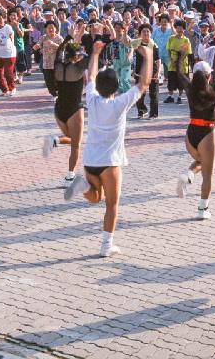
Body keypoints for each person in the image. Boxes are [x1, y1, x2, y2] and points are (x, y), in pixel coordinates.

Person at [64, 39, 152, 258]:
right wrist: (147, 56)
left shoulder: (92, 99)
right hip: (111, 161)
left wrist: (94, 54)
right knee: (112, 204)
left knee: (95, 196)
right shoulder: (119, 104)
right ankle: (106, 245)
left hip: (90, 160)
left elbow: (91, 76)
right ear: (116, 87)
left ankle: (82, 185)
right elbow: (143, 85)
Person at [44, 26, 89, 188]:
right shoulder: (77, 69)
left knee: (72, 139)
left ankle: (55, 140)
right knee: (76, 145)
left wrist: (70, 37)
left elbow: (60, 51)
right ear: (76, 56)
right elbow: (90, 55)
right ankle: (69, 177)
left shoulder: (58, 66)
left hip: (58, 110)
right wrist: (88, 36)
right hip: (74, 110)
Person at [175, 61, 215, 219]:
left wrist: (180, 55)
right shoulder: (214, 91)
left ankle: (188, 175)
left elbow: (180, 72)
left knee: (202, 161)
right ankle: (203, 208)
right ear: (209, 76)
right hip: (207, 132)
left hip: (191, 133)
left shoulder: (189, 89)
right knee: (208, 174)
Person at [132, 23, 160, 119]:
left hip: (153, 73)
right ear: (140, 33)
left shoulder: (154, 45)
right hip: (139, 73)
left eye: (148, 31)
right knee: (139, 94)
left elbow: (157, 60)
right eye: (143, 31)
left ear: (151, 33)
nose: (146, 33)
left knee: (154, 94)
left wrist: (158, 72)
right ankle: (142, 111)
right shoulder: (136, 43)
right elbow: (126, 43)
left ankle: (154, 113)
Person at [0, 11, 19, 96]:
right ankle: (4, 90)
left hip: (9, 54)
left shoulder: (7, 27)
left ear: (4, 19)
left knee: (7, 73)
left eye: (0, 18)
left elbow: (11, 34)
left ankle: (12, 88)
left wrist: (12, 39)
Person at [165, 19, 191, 104]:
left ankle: (179, 97)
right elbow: (168, 49)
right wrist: (171, 59)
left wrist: (180, 61)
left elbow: (187, 53)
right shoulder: (171, 38)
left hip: (182, 63)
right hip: (172, 62)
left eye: (181, 28)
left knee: (181, 81)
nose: (180, 30)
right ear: (175, 28)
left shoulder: (186, 40)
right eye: (178, 28)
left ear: (184, 29)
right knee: (171, 79)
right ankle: (170, 96)